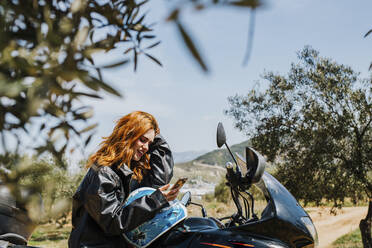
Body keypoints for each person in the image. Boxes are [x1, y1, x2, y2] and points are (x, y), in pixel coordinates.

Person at [68, 111, 179, 248]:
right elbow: (112, 222)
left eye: (150, 143)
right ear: (128, 135)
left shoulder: (129, 170)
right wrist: (155, 201)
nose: (146, 148)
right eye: (142, 140)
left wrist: (156, 137)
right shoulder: (104, 172)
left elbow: (158, 182)